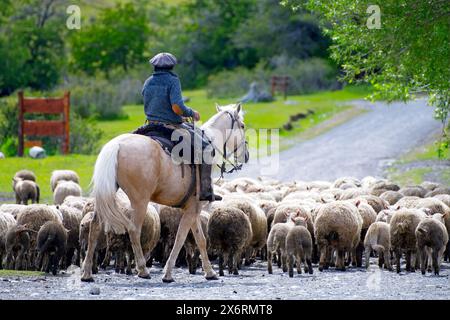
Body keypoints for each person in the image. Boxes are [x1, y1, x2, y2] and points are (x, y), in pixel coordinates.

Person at [142, 52, 222, 202]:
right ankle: (205, 191)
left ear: (154, 66)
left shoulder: (148, 82)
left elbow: (155, 104)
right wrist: (191, 112)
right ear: (172, 66)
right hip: (170, 126)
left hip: (150, 125)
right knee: (207, 148)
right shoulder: (173, 80)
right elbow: (177, 107)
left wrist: (176, 115)